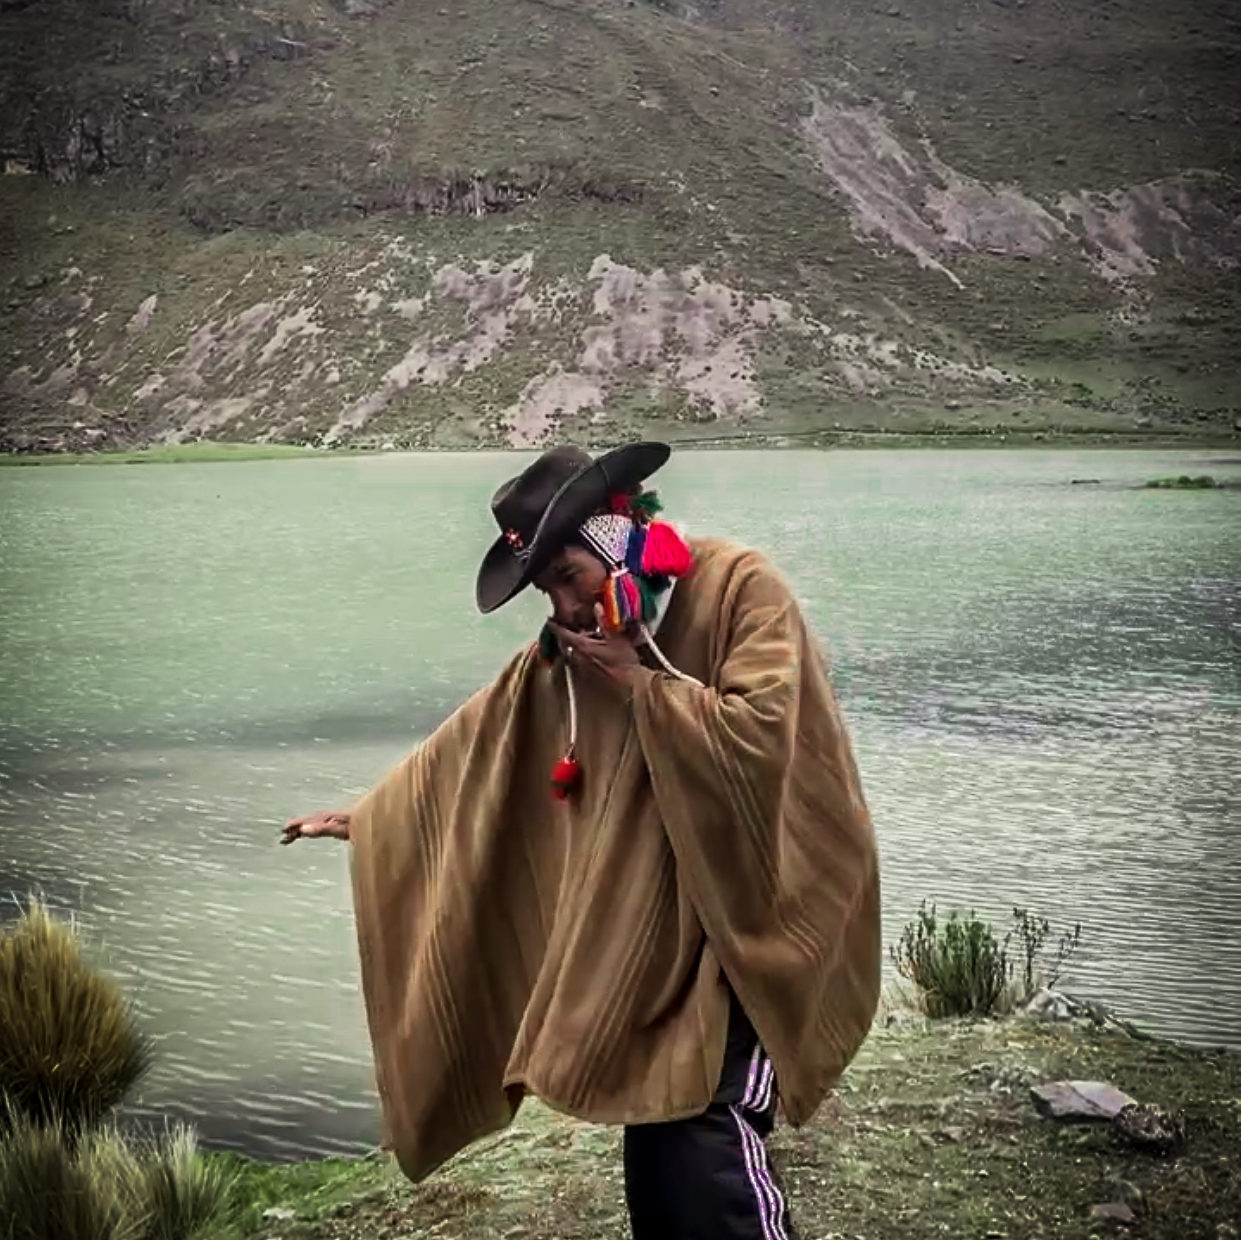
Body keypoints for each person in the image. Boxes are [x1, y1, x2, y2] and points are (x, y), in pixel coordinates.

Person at [283, 441, 881, 1240]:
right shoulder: (571, 654)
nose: (562, 607)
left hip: (760, 908)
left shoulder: (739, 586)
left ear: (616, 538)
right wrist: (376, 818)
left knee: (707, 1128)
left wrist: (642, 684)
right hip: (665, 939)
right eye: (545, 590)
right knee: (660, 1125)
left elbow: (768, 738)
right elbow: (475, 752)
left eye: (568, 576)